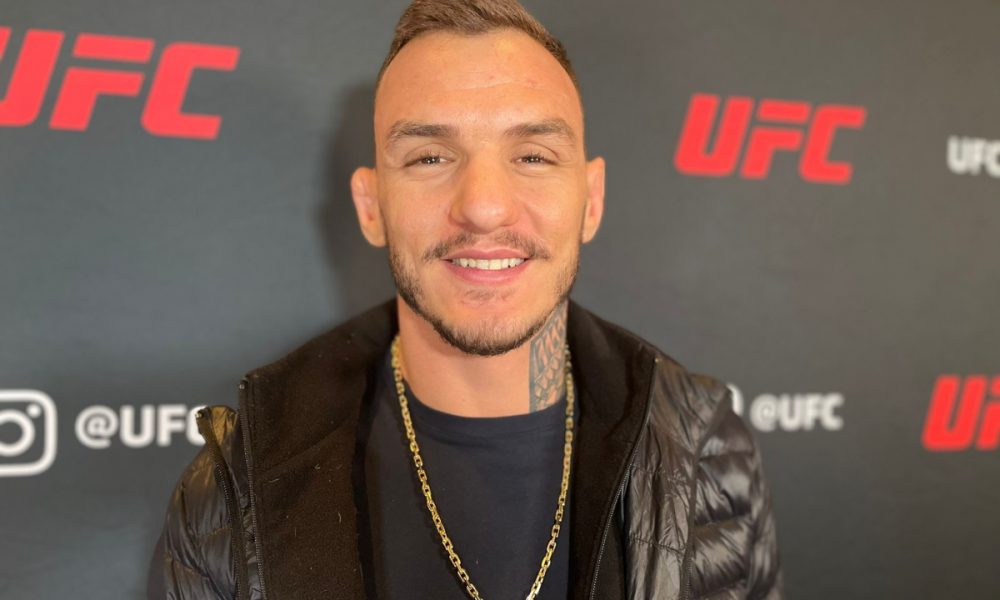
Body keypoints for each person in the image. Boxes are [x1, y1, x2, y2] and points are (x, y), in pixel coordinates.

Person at [147, 0, 784, 598]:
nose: (483, 206)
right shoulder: (241, 482)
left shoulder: (704, 447)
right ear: (371, 207)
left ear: (591, 201)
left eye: (533, 156)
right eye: (430, 158)